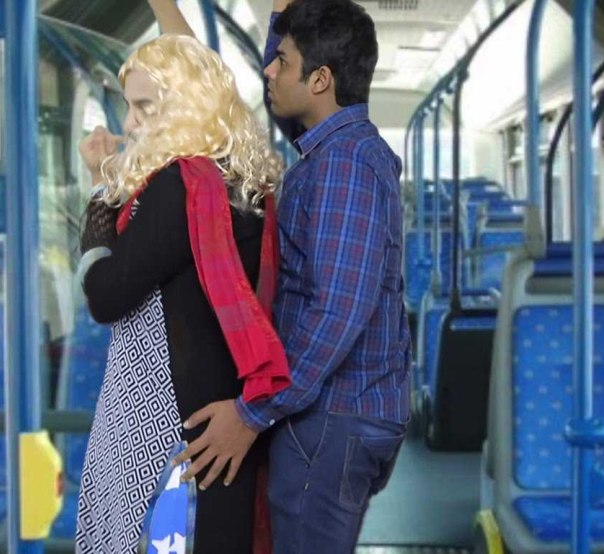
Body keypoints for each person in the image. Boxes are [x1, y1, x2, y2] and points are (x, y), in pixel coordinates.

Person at [175, 0, 412, 552]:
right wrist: (282, 15)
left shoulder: (344, 167)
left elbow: (338, 311)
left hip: (333, 416)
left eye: (281, 61)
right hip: (340, 411)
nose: (269, 71)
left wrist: (252, 413)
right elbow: (280, 98)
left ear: (321, 80)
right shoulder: (334, 149)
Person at [73, 1, 290, 551]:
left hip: (169, 432)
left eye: (144, 107)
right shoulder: (234, 178)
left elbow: (106, 295)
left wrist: (99, 191)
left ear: (185, 105)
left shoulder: (180, 186)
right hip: (218, 418)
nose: (130, 124)